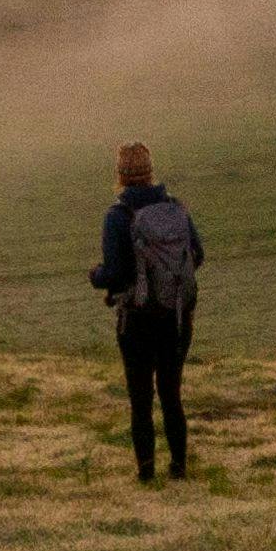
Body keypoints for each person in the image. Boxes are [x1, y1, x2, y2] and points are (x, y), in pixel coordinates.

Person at [88, 140, 205, 481]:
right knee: (172, 393)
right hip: (176, 316)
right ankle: (179, 468)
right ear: (151, 171)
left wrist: (96, 276)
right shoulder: (176, 209)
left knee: (140, 398)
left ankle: (146, 473)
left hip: (136, 319)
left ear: (120, 176)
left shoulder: (117, 216)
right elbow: (197, 255)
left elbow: (114, 273)